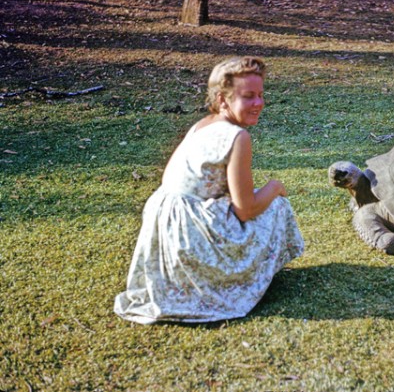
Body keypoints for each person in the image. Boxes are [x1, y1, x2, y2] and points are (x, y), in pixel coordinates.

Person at [114, 56, 304, 324]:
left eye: (261, 95)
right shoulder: (238, 137)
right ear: (223, 100)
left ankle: (186, 284)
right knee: (277, 205)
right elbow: (245, 209)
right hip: (191, 233)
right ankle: (241, 282)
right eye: (248, 96)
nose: (258, 103)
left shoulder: (202, 125)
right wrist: (274, 187)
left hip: (164, 225)